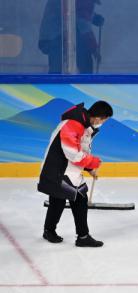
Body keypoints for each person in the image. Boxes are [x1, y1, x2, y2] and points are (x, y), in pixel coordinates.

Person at [38, 101, 113, 247]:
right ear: (98, 118)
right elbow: (72, 152)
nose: (102, 123)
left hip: (68, 170)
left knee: (73, 200)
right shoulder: (73, 124)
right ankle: (67, 234)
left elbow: (81, 150)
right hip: (59, 170)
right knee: (61, 201)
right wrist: (93, 162)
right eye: (104, 120)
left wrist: (89, 168)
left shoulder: (84, 125)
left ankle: (70, 234)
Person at [38, 0, 104, 74]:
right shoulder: (79, 3)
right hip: (56, 37)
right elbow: (84, 26)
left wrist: (93, 17)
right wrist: (95, 50)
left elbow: (77, 12)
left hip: (50, 36)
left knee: (56, 68)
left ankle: (56, 81)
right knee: (84, 59)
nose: (92, 5)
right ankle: (86, 80)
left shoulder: (75, 3)